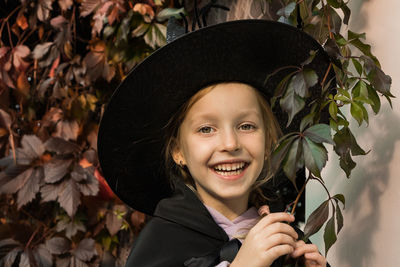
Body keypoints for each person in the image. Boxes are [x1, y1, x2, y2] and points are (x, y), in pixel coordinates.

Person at [97, 18, 334, 267]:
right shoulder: (160, 244)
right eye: (206, 129)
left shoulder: (281, 236)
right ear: (178, 150)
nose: (230, 143)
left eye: (246, 126)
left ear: (269, 142)